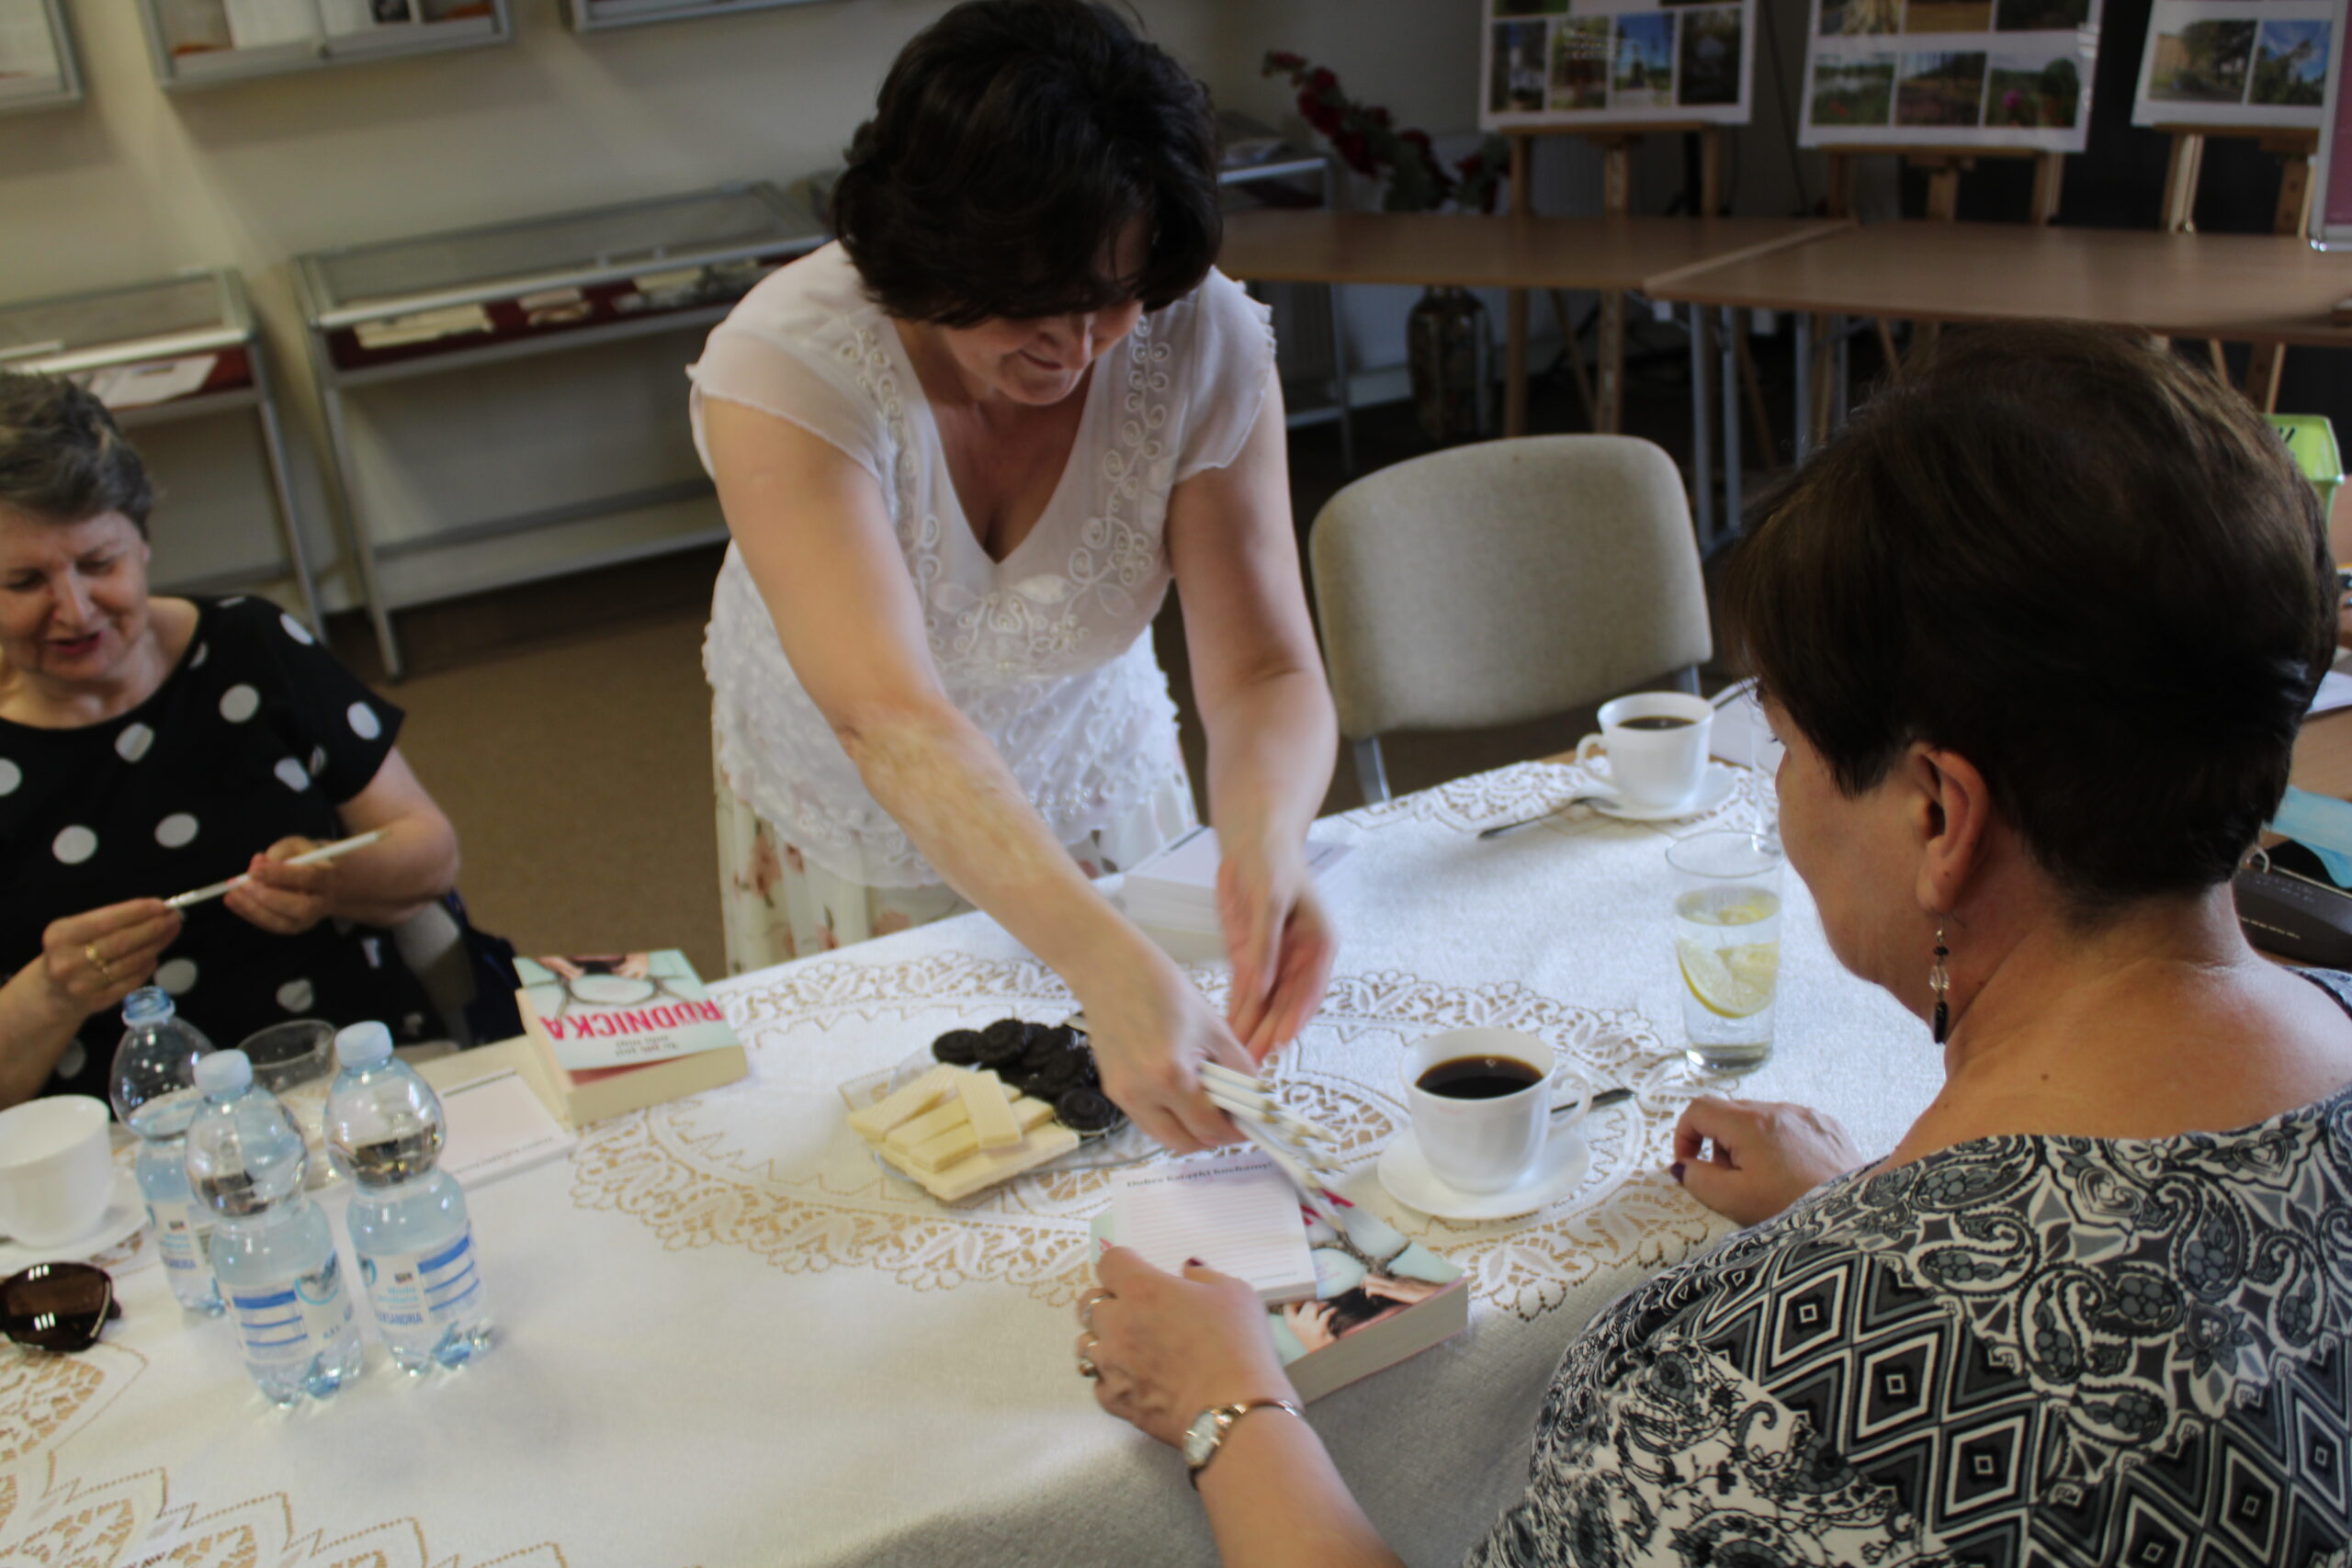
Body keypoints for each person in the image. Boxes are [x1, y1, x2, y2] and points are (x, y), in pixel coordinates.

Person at [1077, 323, 2352, 1562]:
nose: (1778, 788)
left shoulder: (1781, 1377)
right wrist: (1873, 1202)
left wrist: (1229, 1400)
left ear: (1936, 815)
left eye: (1785, 745)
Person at [694, 0, 1336, 1153]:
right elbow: (891, 718)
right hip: (859, 794)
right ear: (923, 250)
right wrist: (1102, 957)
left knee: (1132, 1138)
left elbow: (1268, 666)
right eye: (1033, 300)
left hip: (1089, 765)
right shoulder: (787, 366)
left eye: (1117, 293)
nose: (1078, 344)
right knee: (904, 1153)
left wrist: (1268, 841)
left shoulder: (1198, 339)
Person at [0, 371, 462, 1108]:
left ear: (144, 543)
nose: (76, 611)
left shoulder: (251, 646)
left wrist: (334, 880)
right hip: (117, 1133)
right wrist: (52, 993)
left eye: (99, 564)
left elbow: (431, 852)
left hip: (346, 1078)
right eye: (24, 581)